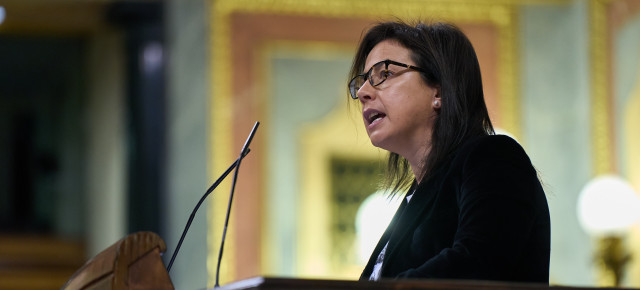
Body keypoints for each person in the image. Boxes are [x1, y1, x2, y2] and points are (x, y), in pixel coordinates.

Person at [348, 21, 550, 283]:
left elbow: (478, 263)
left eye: (384, 73)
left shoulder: (494, 157)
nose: (363, 92)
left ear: (439, 91)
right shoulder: (416, 194)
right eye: (362, 81)